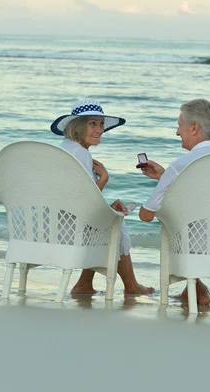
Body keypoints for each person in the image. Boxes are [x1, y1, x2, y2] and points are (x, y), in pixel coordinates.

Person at [50, 98, 154, 297]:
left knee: (106, 217)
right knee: (115, 221)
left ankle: (84, 283)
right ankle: (131, 285)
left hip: (51, 224)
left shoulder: (64, 149)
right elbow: (86, 205)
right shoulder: (80, 154)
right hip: (67, 231)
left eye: (101, 124)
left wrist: (105, 206)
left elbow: (75, 199)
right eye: (92, 124)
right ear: (77, 126)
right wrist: (104, 179)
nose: (99, 130)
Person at [138, 98, 210, 306]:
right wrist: (166, 178)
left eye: (180, 126)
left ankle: (197, 288)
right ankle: (195, 290)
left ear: (194, 128)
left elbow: (145, 215)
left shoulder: (181, 165)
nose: (177, 132)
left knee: (177, 223)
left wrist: (170, 178)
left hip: (194, 249)